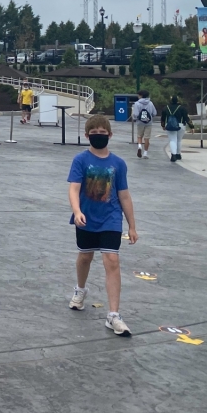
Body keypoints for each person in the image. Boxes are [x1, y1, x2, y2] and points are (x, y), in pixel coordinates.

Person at [67, 114, 138, 337]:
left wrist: (132, 226)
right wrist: (77, 211)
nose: (99, 136)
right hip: (87, 217)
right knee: (85, 256)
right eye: (94, 133)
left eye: (103, 133)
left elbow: (124, 195)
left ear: (110, 135)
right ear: (87, 136)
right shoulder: (80, 160)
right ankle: (80, 289)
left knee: (112, 260)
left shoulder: (118, 164)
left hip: (111, 218)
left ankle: (114, 315)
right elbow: (74, 189)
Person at [161, 94, 192, 163]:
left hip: (170, 126)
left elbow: (163, 118)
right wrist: (191, 126)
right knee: (179, 140)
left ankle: (173, 155)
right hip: (181, 125)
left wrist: (163, 125)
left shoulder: (166, 108)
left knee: (172, 140)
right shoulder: (182, 108)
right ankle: (178, 154)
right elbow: (186, 117)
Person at [131, 89, 157, 159]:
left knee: (139, 136)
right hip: (149, 122)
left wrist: (135, 118)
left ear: (141, 95)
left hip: (140, 122)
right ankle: (145, 153)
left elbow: (135, 114)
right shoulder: (150, 103)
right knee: (147, 138)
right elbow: (154, 113)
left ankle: (139, 146)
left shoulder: (137, 104)